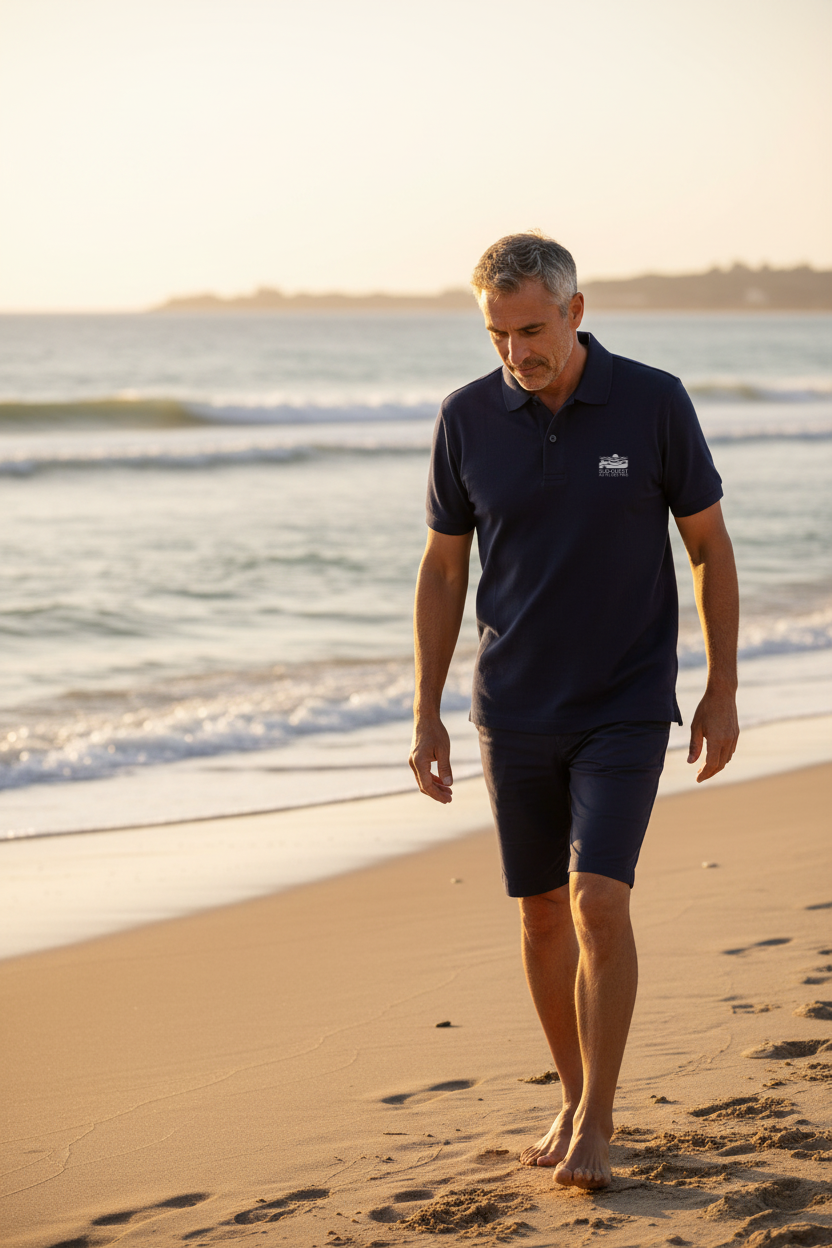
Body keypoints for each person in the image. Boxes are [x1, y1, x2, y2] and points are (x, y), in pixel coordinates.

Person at [408, 232, 739, 1191]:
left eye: (533, 328)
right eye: (498, 334)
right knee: (543, 914)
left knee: (598, 898)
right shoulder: (465, 417)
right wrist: (426, 715)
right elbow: (442, 570)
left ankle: (598, 1118)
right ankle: (570, 1089)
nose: (517, 353)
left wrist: (719, 687)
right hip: (512, 706)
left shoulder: (653, 401)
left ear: (576, 312)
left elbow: (710, 547)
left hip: (627, 701)